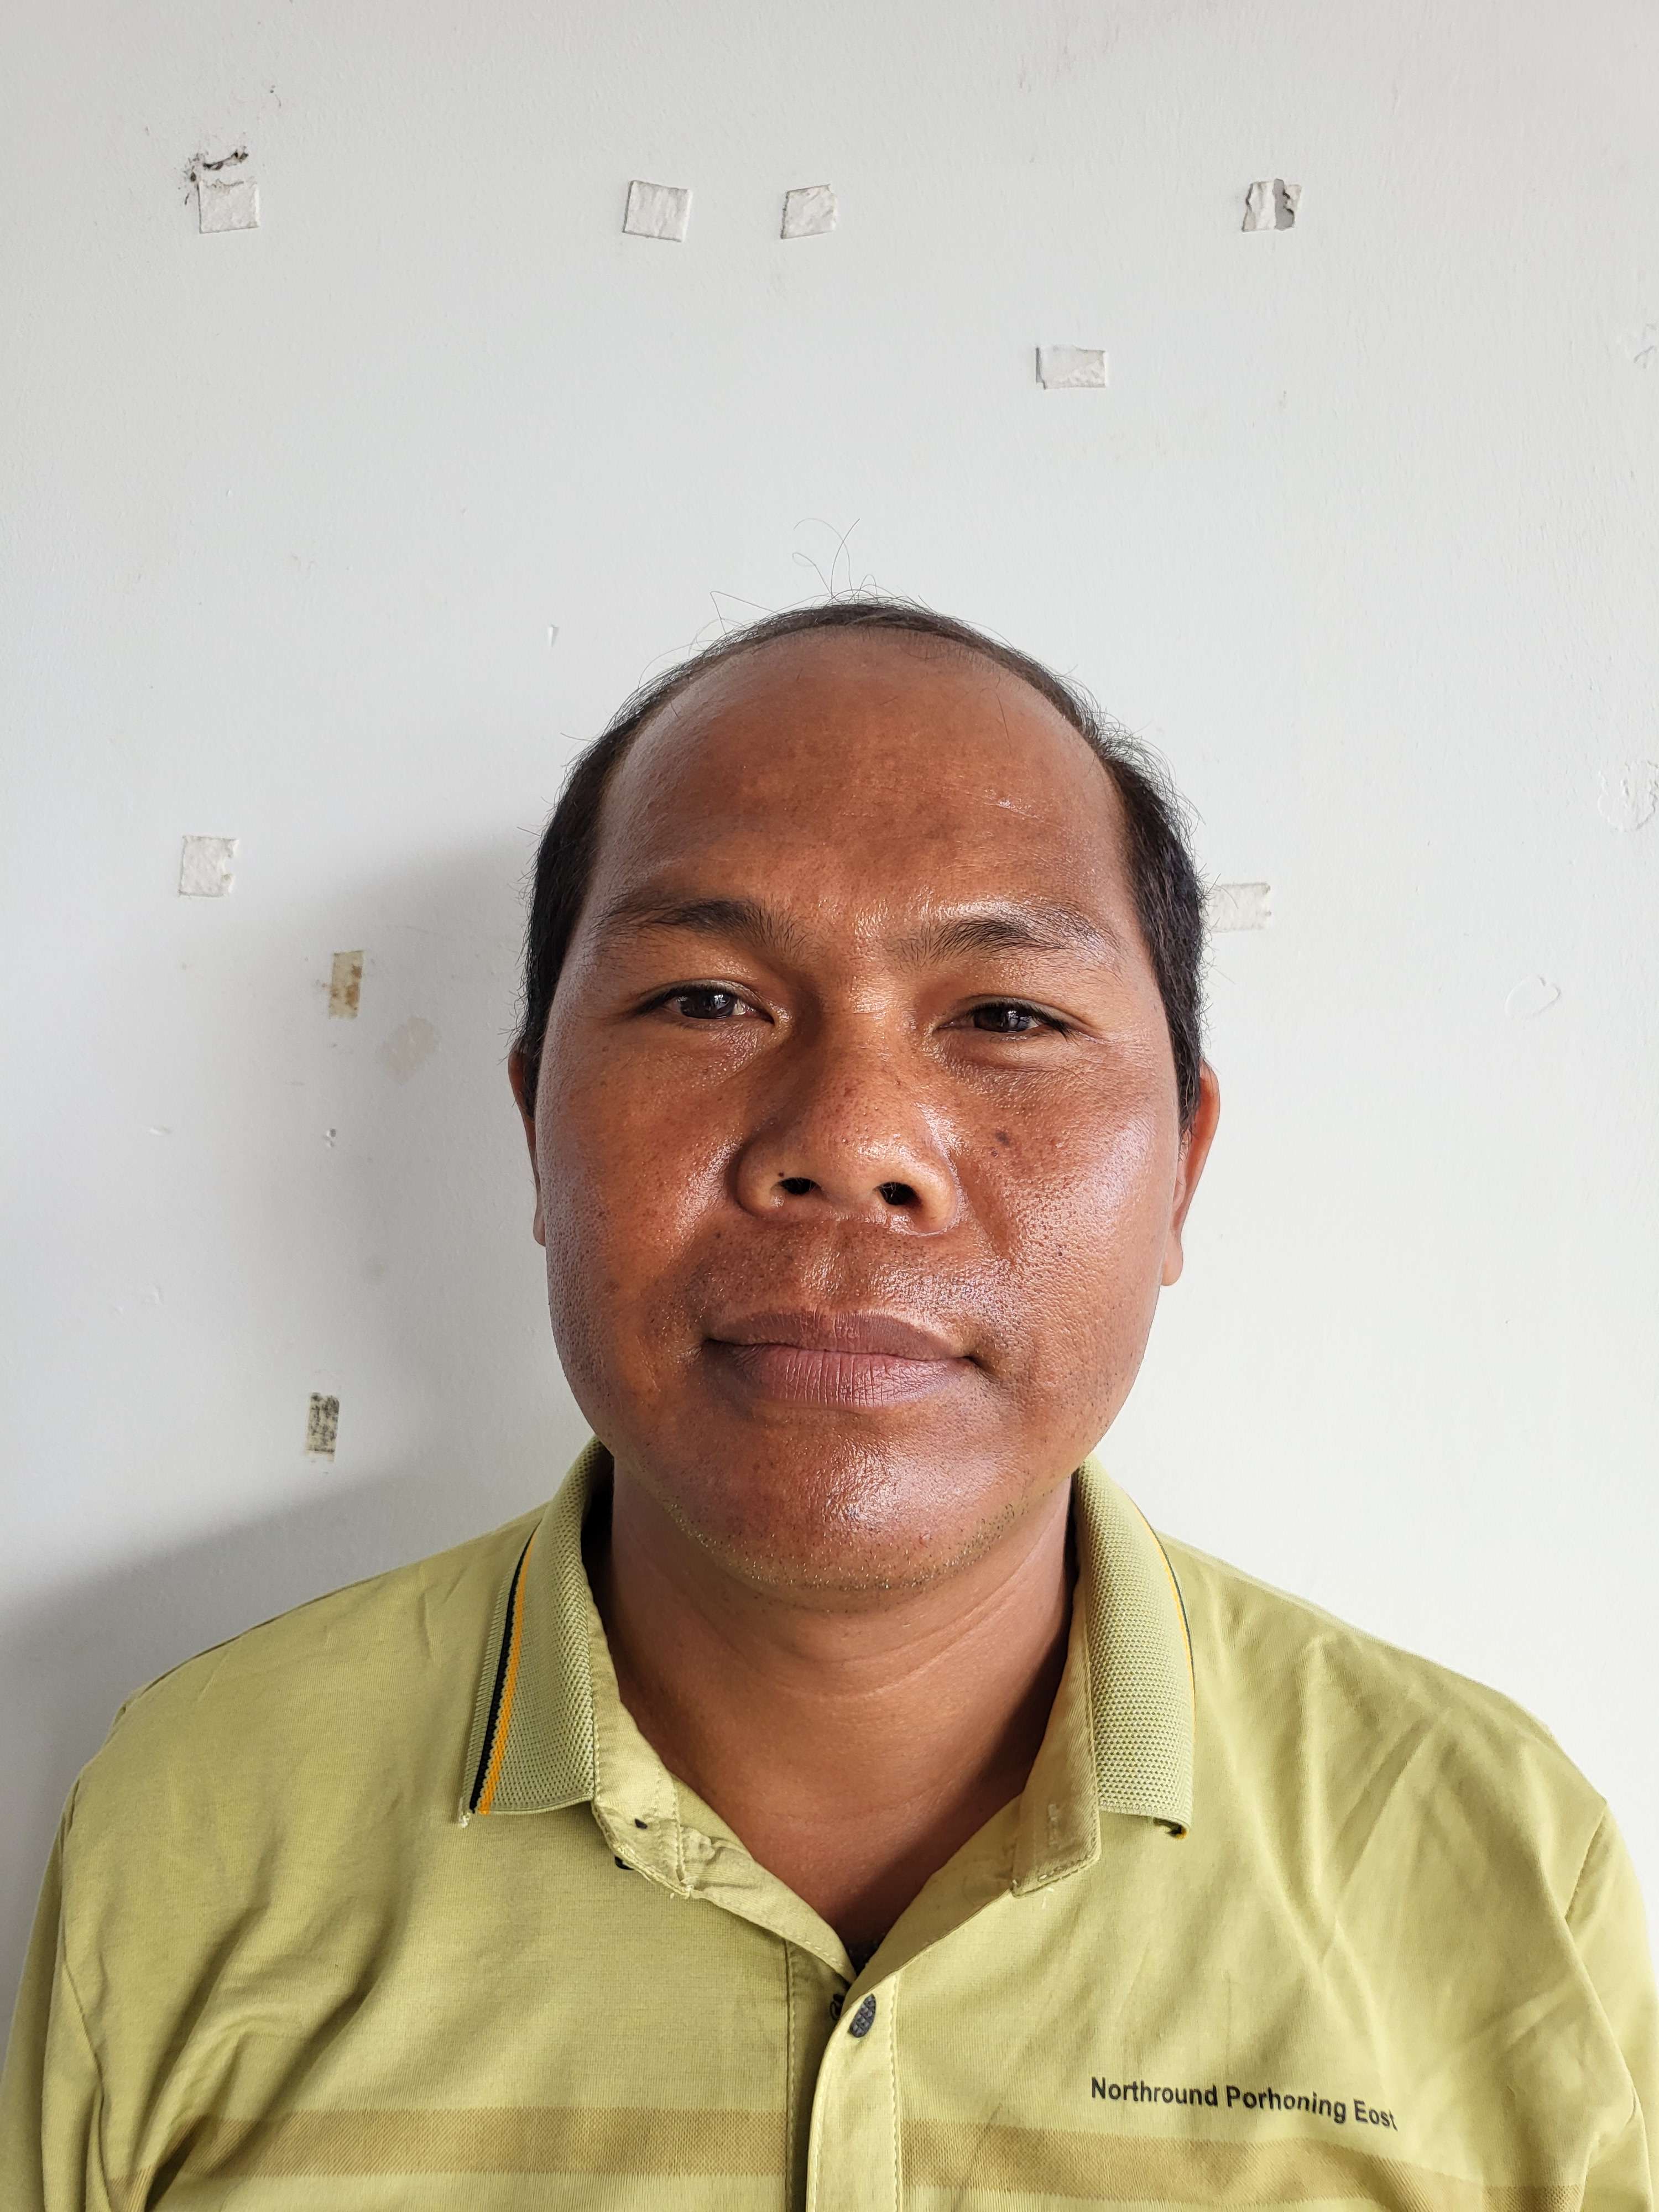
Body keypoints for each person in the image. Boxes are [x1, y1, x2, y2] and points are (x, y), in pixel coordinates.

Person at [2, 598, 1652, 2211]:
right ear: (535, 1135)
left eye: (1007, 1016)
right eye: (706, 1001)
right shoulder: (198, 1822)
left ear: (1182, 1172)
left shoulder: (1496, 1871)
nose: (852, 1142)